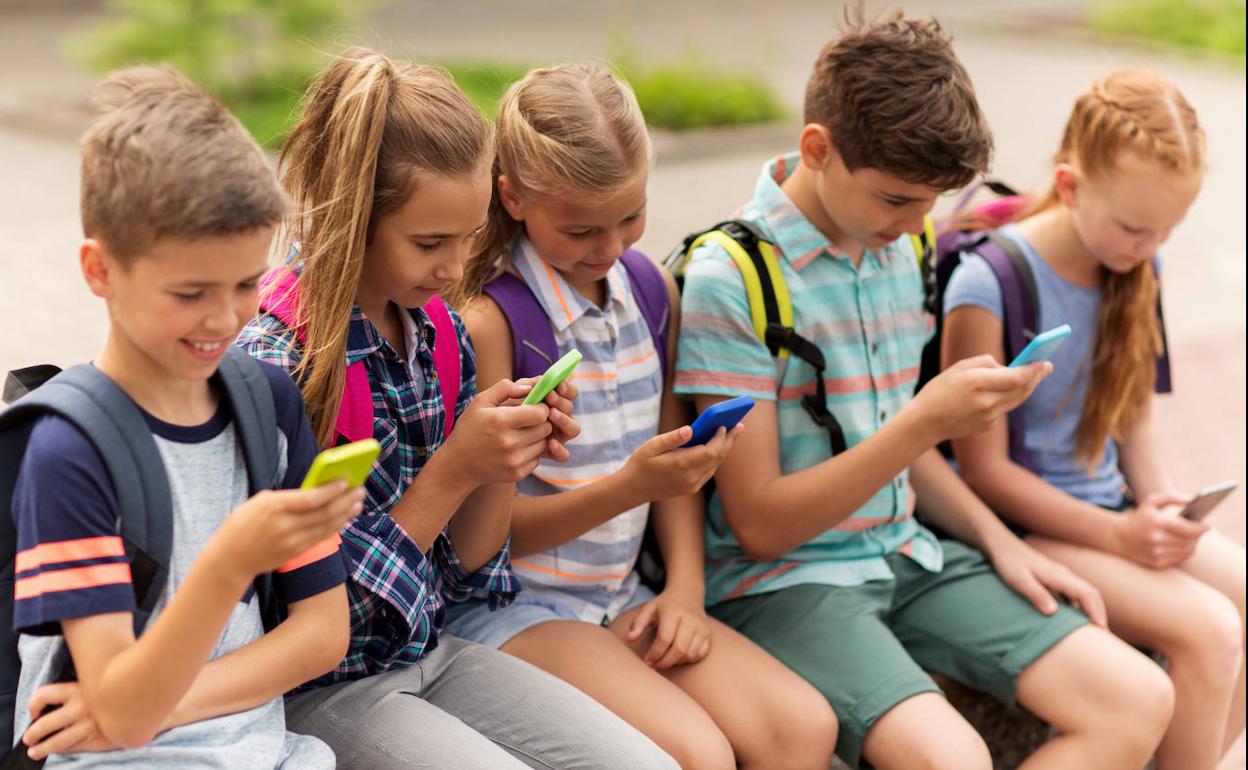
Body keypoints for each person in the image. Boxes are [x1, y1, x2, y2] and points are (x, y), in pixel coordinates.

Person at [673, 15, 1178, 770]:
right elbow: (760, 526)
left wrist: (1003, 547)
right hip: (785, 583)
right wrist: (920, 424)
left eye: (934, 202)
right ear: (818, 149)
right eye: (897, 198)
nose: (921, 223)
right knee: (954, 759)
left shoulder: (902, 245)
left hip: (910, 554)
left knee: (1137, 698)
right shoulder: (733, 278)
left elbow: (911, 456)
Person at [236, 48, 675, 770]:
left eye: (469, 238)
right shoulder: (281, 364)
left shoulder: (435, 328)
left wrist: (504, 455)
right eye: (429, 243)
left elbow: (471, 569)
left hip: (433, 650)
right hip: (320, 687)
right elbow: (313, 619)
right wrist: (452, 470)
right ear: (352, 220)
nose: (453, 269)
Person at [443, 62, 838, 770]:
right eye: (581, 228)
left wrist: (685, 592)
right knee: (697, 755)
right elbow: (488, 539)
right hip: (516, 607)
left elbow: (673, 462)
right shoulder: (494, 321)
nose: (610, 246)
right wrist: (631, 487)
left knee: (802, 728)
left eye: (631, 215)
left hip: (625, 591)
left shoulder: (651, 290)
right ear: (513, 197)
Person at [11, 65, 360, 767]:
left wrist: (164, 699)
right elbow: (126, 719)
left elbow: (324, 632)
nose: (226, 317)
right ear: (100, 270)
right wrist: (229, 564)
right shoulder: (67, 454)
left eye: (247, 283)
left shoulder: (266, 401)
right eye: (191, 291)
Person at [942, 68, 1245, 770]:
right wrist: (1120, 533)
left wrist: (1158, 499)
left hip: (1110, 512)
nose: (1150, 245)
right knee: (1209, 631)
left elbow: (1130, 414)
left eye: (1169, 228)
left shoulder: (1138, 262)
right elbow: (983, 471)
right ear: (1071, 186)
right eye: (1136, 226)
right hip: (1026, 526)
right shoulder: (988, 283)